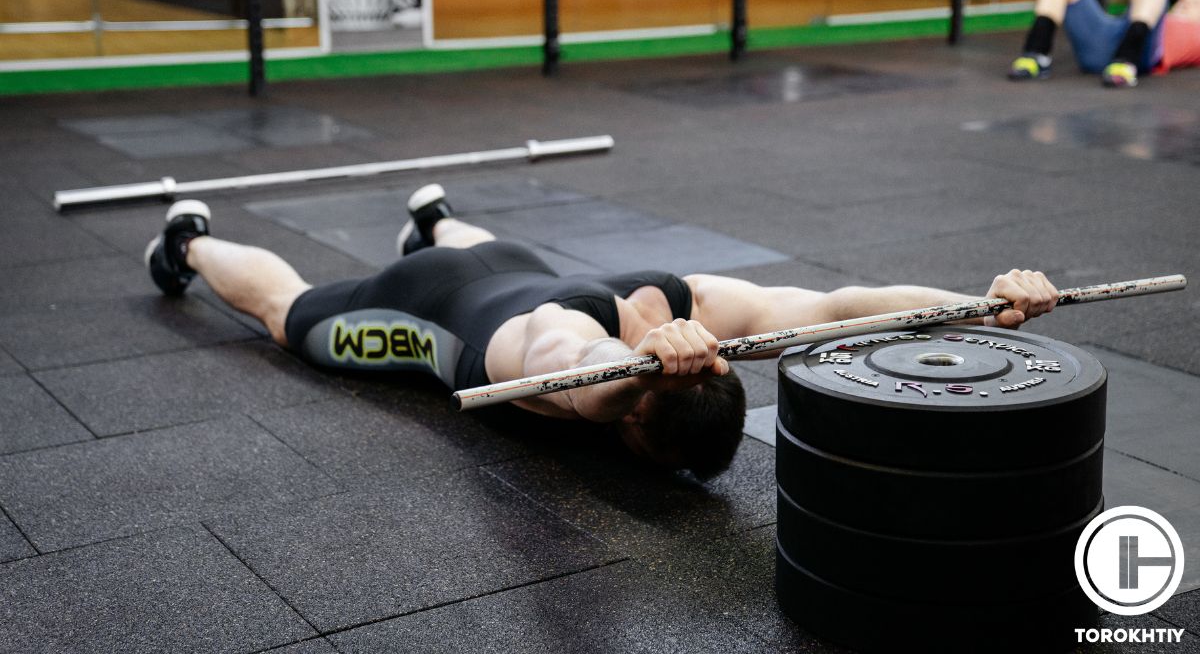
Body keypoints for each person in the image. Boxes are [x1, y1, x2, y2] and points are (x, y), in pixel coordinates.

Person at [144, 184, 1060, 480]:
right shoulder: (650, 320)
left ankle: (433, 223)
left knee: (327, 307)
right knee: (287, 313)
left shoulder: (595, 356)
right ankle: (187, 244)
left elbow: (587, 381)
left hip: (473, 284)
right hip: (446, 287)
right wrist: (981, 302)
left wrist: (642, 366)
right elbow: (839, 309)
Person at [1009, 0, 1200, 87]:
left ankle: (1126, 61)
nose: (1186, 2)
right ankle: (1036, 54)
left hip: (1140, 51)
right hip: (1109, 37)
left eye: (1196, 3)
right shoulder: (1156, 12)